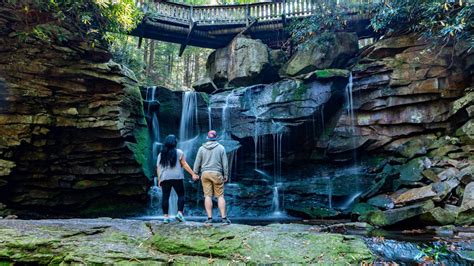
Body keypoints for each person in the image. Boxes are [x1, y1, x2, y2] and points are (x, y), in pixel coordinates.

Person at [157, 134, 199, 224]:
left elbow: (158, 167)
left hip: (165, 177)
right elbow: (184, 164)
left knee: (165, 197)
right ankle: (179, 213)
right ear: (174, 142)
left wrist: (159, 179)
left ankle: (165, 217)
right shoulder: (179, 152)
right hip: (177, 177)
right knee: (181, 195)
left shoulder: (161, 154)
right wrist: (193, 174)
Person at [193, 130, 231, 225]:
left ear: (207, 138)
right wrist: (226, 174)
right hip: (217, 173)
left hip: (205, 174)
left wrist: (195, 173)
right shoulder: (221, 148)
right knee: (220, 196)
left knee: (207, 195)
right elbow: (225, 163)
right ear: (216, 137)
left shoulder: (201, 148)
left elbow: (197, 162)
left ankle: (209, 218)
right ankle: (224, 218)